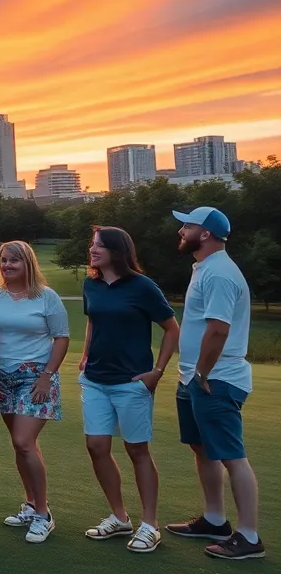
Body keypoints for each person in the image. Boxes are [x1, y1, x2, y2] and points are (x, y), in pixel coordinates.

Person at [165, 207, 264, 560]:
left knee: (232, 456)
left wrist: (202, 373)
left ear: (205, 233)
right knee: (202, 448)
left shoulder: (220, 273)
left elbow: (219, 329)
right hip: (196, 376)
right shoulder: (205, 268)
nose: (181, 230)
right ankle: (214, 520)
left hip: (216, 379)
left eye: (187, 225)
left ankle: (249, 536)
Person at [79, 226, 179, 554]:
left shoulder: (142, 286)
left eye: (99, 246)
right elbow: (93, 320)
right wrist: (85, 355)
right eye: (92, 245)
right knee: (96, 446)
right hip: (95, 380)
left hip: (131, 383)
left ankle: (150, 525)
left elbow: (171, 329)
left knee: (137, 450)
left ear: (117, 251)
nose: (92, 250)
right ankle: (120, 517)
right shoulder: (91, 284)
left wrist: (157, 372)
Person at [0, 241, 69, 544]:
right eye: (4, 260)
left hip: (35, 378)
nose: (7, 265)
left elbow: (61, 338)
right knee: (21, 445)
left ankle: (43, 515)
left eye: (14, 261)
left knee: (23, 441)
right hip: (3, 377)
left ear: (27, 263)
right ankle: (31, 504)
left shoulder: (47, 297)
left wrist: (47, 377)